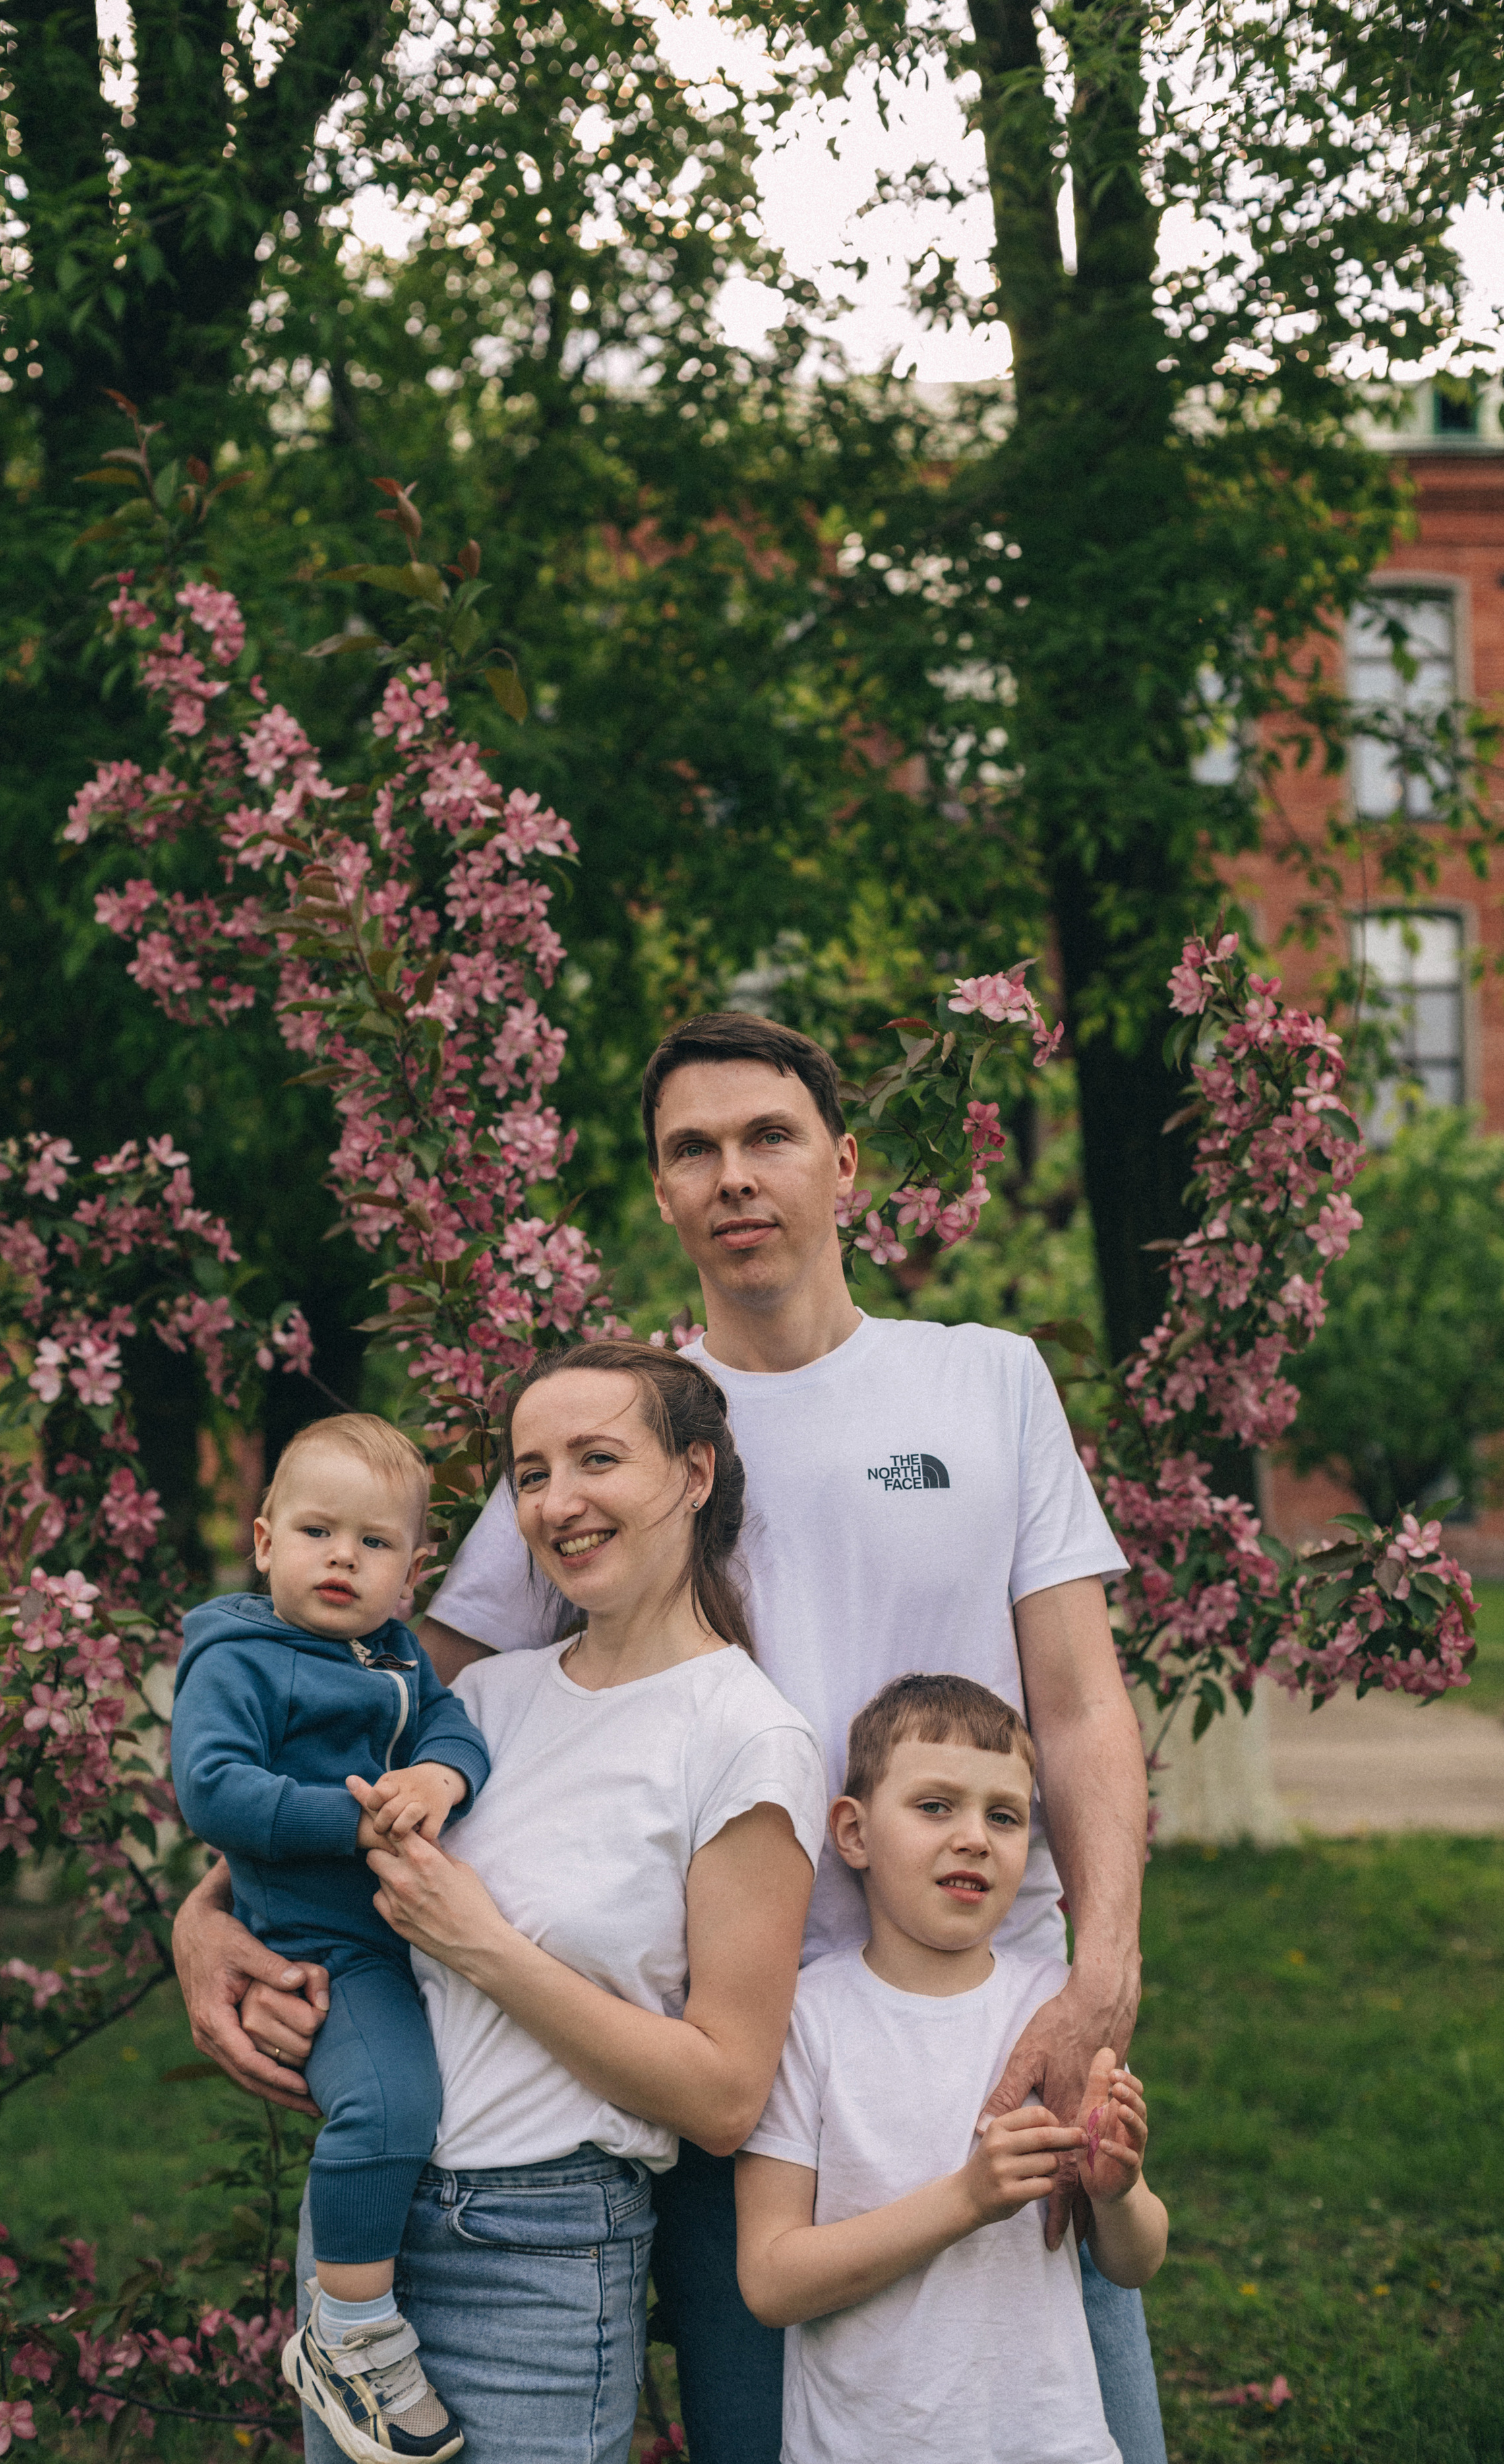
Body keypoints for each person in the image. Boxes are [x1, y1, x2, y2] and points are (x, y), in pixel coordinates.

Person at [175, 1010, 1164, 2464]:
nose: (733, 1176)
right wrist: (208, 1912)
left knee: (1076, 2431)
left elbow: (1079, 1704)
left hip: (976, 2026)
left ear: (841, 1163)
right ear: (661, 1192)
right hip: (720, 2066)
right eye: (690, 1151)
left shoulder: (986, 1379)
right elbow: (373, 1710)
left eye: (767, 1137)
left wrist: (1104, 1968)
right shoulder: (610, 1445)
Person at [195, 1343, 827, 2463]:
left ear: (694, 1475)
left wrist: (484, 1948)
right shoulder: (477, 1701)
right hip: (366, 2242)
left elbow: (728, 2096)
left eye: (596, 1460)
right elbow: (290, 1832)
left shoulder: (747, 1736)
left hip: (544, 2249)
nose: (559, 1502)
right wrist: (204, 1928)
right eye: (531, 1473)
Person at [736, 1672, 1166, 2464]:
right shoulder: (805, 2018)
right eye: (935, 1806)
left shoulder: (1055, 2015)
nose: (973, 1835)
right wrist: (965, 2200)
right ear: (853, 1833)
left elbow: (1133, 2264)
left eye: (1003, 1816)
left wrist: (1120, 2194)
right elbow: (770, 2281)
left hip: (1050, 2444)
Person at [171, 1415, 491, 2461]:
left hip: (396, 1937)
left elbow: (449, 1726)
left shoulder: (394, 1655)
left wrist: (442, 1775)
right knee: (393, 2104)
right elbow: (213, 1789)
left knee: (402, 2096)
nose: (343, 1557)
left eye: (375, 1542)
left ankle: (351, 2316)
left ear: (414, 1567)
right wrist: (354, 1821)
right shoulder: (239, 1661)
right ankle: (348, 2332)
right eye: (317, 1531)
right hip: (325, 1947)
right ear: (265, 1542)